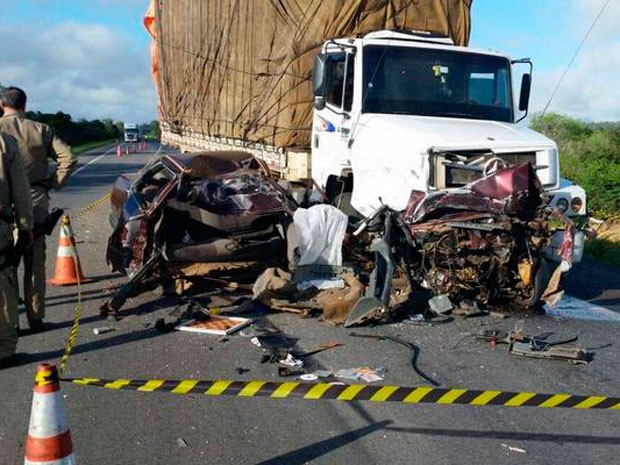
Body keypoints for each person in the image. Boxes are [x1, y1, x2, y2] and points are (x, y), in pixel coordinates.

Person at [0, 87, 77, 331]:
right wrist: (53, 183)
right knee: (34, 261)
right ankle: (35, 317)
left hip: (3, 204)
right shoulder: (41, 129)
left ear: (2, 104)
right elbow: (69, 157)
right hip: (35, 198)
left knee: (4, 264)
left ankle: (8, 321)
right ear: (25, 104)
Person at [0, 133, 33, 368]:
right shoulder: (5, 142)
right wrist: (25, 226)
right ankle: (4, 351)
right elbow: (21, 191)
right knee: (4, 287)